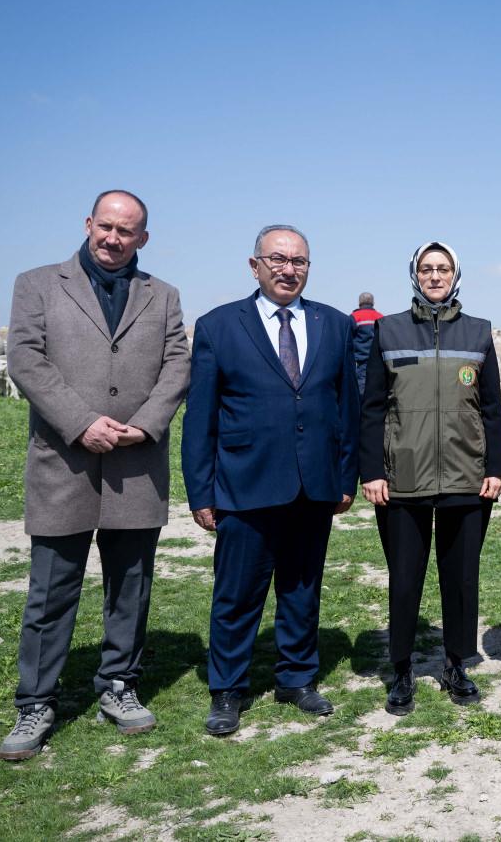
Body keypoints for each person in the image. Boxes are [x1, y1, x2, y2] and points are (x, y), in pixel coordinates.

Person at [0, 190, 190, 761]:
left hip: (136, 465)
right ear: (87, 225)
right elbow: (26, 359)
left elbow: (178, 363)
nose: (113, 238)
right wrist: (82, 423)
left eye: (126, 231)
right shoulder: (36, 284)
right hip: (65, 462)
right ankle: (35, 700)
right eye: (105, 226)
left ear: (143, 238)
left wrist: (147, 424)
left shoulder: (164, 295)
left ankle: (119, 685)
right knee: (51, 591)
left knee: (130, 587)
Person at [182, 224, 359, 736]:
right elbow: (201, 419)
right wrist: (201, 491)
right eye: (278, 259)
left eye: (299, 261)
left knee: (302, 589)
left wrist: (344, 475)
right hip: (245, 484)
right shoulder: (219, 326)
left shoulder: (334, 324)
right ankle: (228, 690)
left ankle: (297, 679)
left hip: (314, 485)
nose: (289, 269)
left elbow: (344, 405)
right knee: (237, 594)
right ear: (254, 264)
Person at [359, 242, 501, 715]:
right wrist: (371, 471)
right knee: (405, 579)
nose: (435, 276)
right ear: (415, 275)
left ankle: (456, 664)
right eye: (427, 269)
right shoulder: (388, 329)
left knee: (461, 579)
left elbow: (489, 408)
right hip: (403, 478)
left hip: (467, 476)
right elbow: (373, 408)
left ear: (456, 275)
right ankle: (401, 669)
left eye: (443, 269)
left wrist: (496, 468)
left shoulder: (479, 332)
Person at [351, 292, 382, 393]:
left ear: (359, 303)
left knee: (361, 386)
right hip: (378, 360)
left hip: (360, 360)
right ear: (373, 302)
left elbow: (348, 339)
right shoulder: (380, 317)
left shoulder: (354, 317)